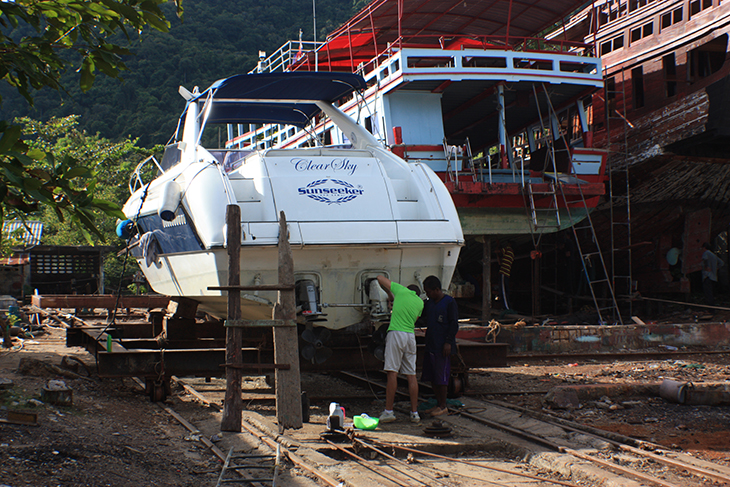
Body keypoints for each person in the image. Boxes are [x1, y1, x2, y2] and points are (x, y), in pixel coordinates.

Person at [376, 275, 423, 424]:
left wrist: (391, 295)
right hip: (410, 336)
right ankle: (415, 413)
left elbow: (379, 278)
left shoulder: (401, 291)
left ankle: (389, 411)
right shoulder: (420, 302)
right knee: (411, 375)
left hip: (396, 333)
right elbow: (413, 320)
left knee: (392, 373)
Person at [421, 275, 458, 417]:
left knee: (441, 376)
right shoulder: (429, 304)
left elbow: (454, 323)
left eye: (429, 291)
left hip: (442, 346)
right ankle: (438, 403)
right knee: (432, 376)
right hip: (431, 343)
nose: (428, 295)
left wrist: (448, 342)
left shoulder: (449, 303)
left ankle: (443, 405)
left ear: (437, 289)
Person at [498, 242, 514, 310]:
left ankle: (507, 308)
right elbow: (500, 263)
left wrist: (497, 249)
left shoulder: (508, 249)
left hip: (504, 274)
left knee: (503, 291)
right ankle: (505, 306)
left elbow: (498, 251)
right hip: (506, 274)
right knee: (504, 291)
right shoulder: (511, 254)